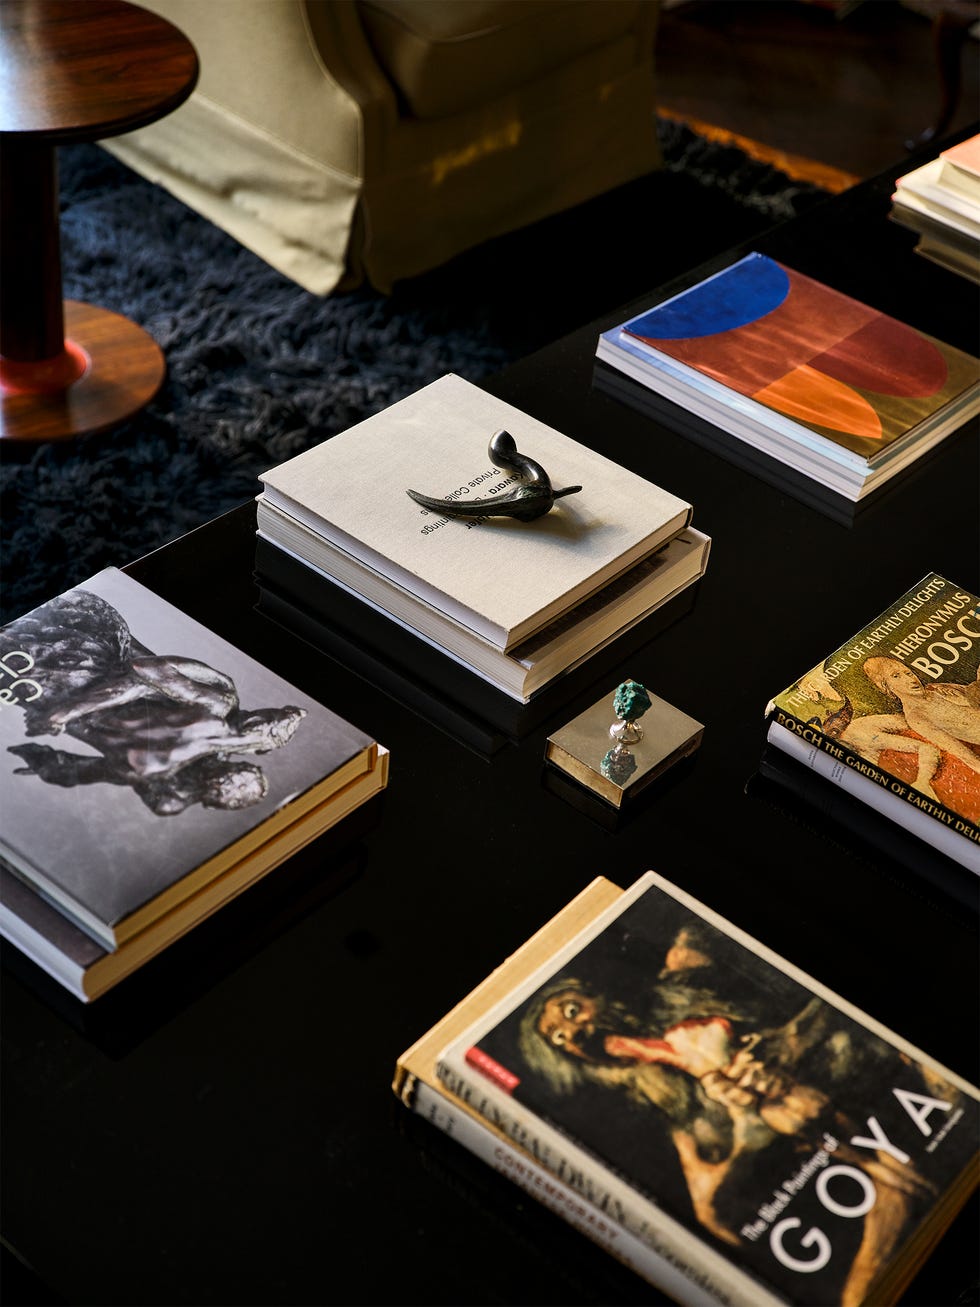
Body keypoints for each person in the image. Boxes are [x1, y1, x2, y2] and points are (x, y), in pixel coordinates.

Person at [516, 925, 947, 1306]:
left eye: (572, 1011)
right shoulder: (651, 1088)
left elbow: (812, 993)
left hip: (850, 1070)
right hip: (811, 1138)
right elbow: (707, 1200)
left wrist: (787, 1044)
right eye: (559, 1038)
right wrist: (744, 1130)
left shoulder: (685, 975)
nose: (574, 1032)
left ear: (593, 994)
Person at [2, 586, 305, 813]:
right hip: (79, 669)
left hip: (43, 698)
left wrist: (47, 764)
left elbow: (92, 771)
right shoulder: (214, 714)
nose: (231, 788)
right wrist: (66, 713)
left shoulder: (161, 783)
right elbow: (141, 679)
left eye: (237, 796)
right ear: (244, 760)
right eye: (242, 782)